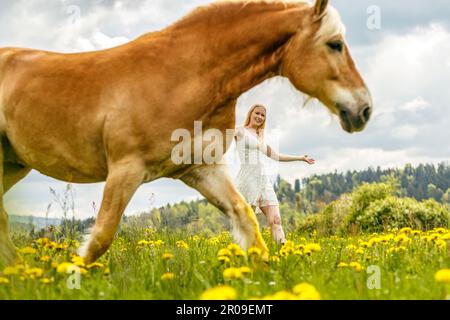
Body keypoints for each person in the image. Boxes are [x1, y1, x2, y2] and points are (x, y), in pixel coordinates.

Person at [234, 104, 315, 245]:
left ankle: (282, 254)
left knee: (276, 220)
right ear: (250, 113)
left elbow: (276, 156)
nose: (259, 117)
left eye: (263, 115)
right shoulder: (240, 131)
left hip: (263, 181)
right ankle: (245, 257)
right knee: (248, 224)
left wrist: (300, 158)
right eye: (257, 113)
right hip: (247, 181)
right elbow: (221, 136)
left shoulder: (260, 136)